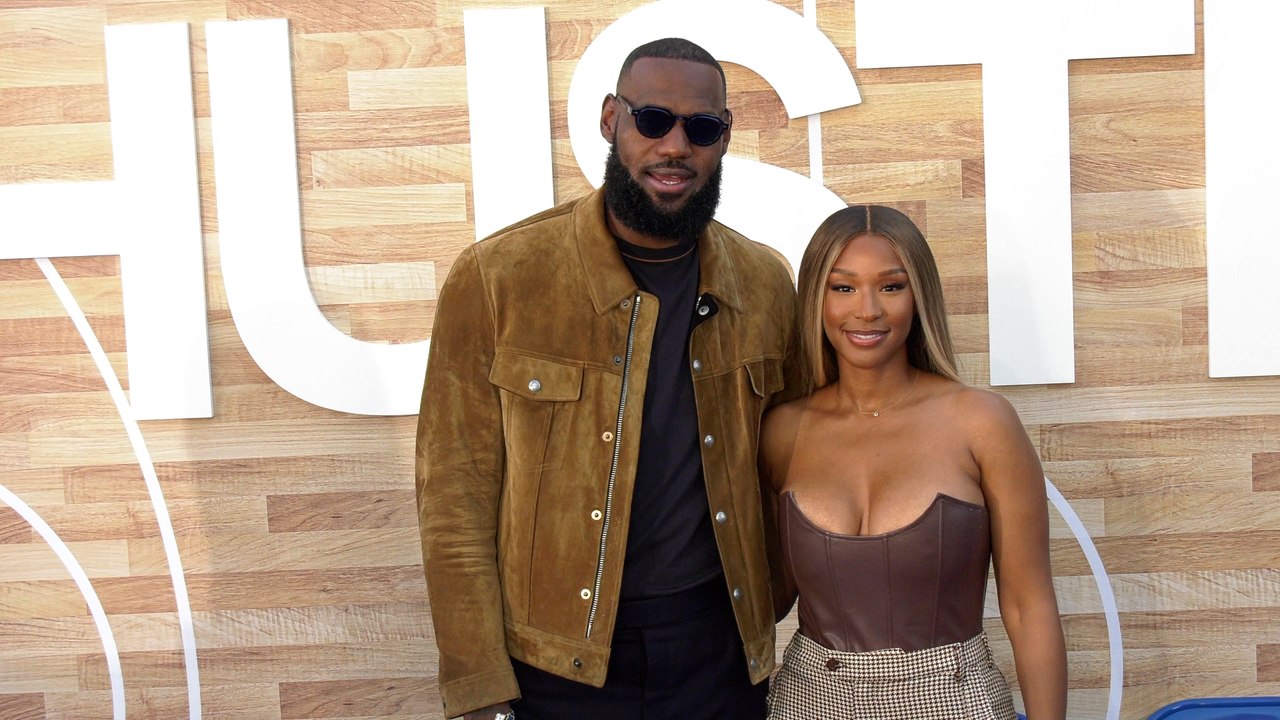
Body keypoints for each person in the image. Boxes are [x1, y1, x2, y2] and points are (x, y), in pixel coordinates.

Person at [415, 37, 798, 720]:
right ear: (610, 119)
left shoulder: (764, 283)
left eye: (701, 128)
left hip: (717, 654)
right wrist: (479, 686)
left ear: (724, 137)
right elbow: (454, 498)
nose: (675, 146)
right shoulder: (498, 278)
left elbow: (793, 469)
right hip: (553, 665)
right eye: (652, 120)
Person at [760, 205, 1067, 719]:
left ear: (918, 295)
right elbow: (765, 601)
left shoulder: (982, 422)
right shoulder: (780, 430)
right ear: (815, 297)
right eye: (843, 287)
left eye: (891, 286)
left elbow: (1027, 606)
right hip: (808, 701)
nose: (867, 310)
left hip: (953, 701)